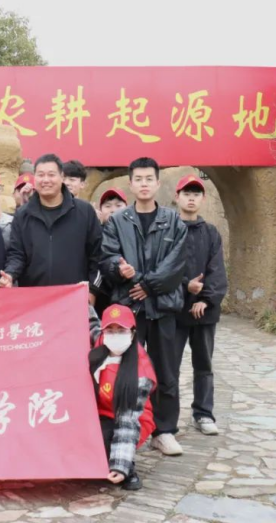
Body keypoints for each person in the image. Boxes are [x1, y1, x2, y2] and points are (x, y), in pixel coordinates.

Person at [100, 157, 188, 456]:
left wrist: (147, 285)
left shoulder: (173, 221)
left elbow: (177, 263)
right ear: (131, 183)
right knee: (126, 371)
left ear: (158, 183)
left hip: (163, 307)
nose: (144, 184)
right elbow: (108, 257)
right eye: (138, 179)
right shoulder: (118, 221)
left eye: (149, 178)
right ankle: (126, 427)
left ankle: (164, 431)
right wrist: (118, 267)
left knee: (166, 371)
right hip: (130, 310)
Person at [0, 154, 103, 301]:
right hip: (34, 299)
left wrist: (92, 291)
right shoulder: (23, 215)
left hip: (74, 297)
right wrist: (10, 274)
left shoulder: (84, 212)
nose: (46, 180)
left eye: (51, 175)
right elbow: (17, 254)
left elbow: (97, 255)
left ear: (62, 177)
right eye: (41, 175)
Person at [174, 174, 227, 436]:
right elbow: (165, 268)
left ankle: (203, 414)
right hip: (174, 309)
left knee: (203, 365)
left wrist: (205, 299)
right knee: (169, 367)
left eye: (196, 193)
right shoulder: (169, 230)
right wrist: (186, 287)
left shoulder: (211, 232)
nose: (191, 198)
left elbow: (217, 270)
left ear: (203, 198)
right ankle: (167, 419)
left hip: (204, 313)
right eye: (187, 193)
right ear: (177, 197)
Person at [88, 304, 156, 491]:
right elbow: (90, 324)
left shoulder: (140, 372)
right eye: (110, 330)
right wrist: (80, 299)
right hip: (100, 413)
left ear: (132, 333)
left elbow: (128, 422)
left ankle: (128, 468)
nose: (115, 335)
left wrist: (121, 465)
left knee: (104, 440)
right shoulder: (101, 342)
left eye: (121, 330)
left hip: (131, 419)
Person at [94, 188, 129, 315]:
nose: (113, 210)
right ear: (100, 210)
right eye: (107, 206)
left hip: (128, 296)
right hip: (99, 295)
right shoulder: (93, 234)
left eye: (118, 206)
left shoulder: (133, 233)